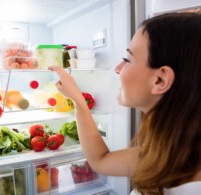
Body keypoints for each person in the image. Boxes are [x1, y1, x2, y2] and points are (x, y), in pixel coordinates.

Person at [50, 12, 201, 195]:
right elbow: (100, 160)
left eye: (127, 59)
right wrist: (79, 102)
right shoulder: (172, 151)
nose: (118, 69)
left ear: (160, 80)